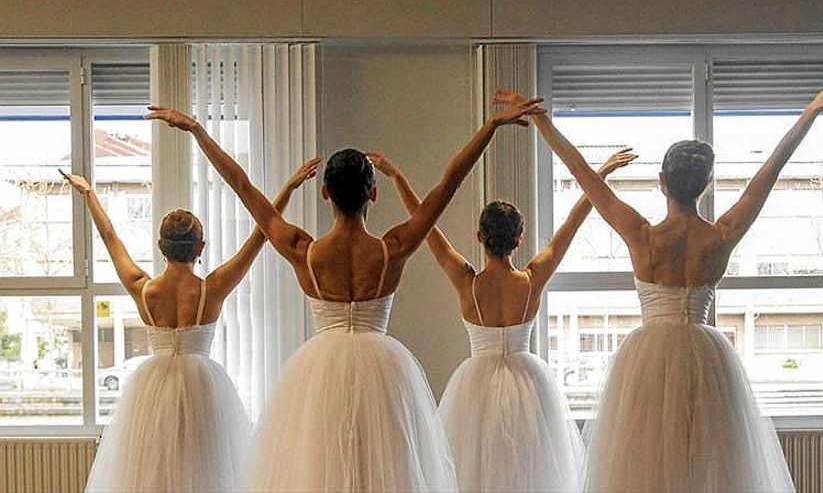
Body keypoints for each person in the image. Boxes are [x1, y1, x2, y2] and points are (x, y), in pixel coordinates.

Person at [145, 96, 545, 492]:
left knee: (323, 470)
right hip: (383, 368)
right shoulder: (393, 248)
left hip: (321, 369)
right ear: (373, 194)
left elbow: (243, 186)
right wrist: (489, 128)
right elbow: (449, 183)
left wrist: (198, 130)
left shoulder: (305, 251)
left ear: (325, 194)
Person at [497, 82, 823, 492]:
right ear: (708, 183)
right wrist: (808, 114)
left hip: (649, 359)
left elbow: (582, 174)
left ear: (661, 180)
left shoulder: (643, 236)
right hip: (706, 359)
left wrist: (543, 122)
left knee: (647, 466)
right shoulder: (720, 237)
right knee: (709, 465)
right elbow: (767, 174)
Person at [371, 146, 634, 492]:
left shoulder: (467, 282)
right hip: (529, 387)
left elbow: (426, 225)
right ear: (519, 238)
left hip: (476, 386)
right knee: (528, 472)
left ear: (480, 237)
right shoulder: (531, 280)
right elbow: (570, 226)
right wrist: (598, 176)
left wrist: (396, 176)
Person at [64, 157, 317, 493]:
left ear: (160, 247)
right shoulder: (210, 289)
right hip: (202, 388)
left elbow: (110, 237)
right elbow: (262, 233)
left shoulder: (143, 288)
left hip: (152, 389)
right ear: (201, 248)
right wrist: (288, 188)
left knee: (152, 472)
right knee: (205, 470)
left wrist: (89, 195)